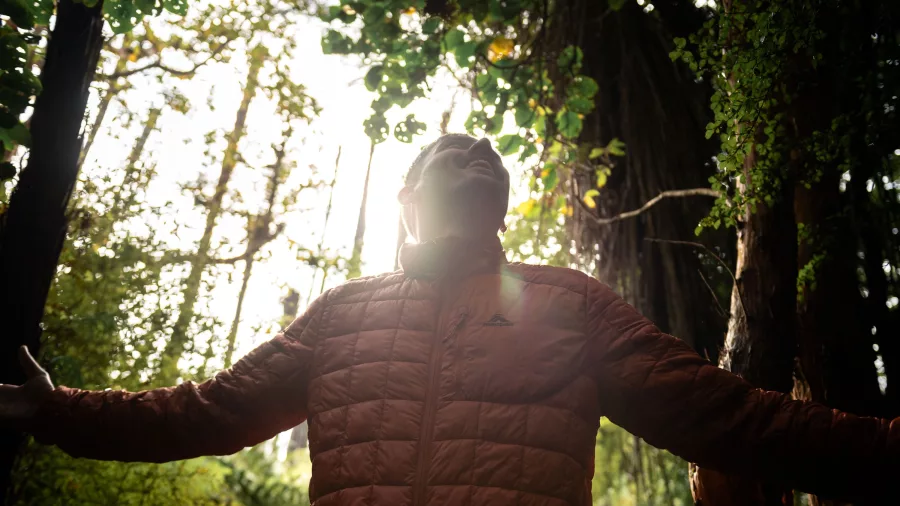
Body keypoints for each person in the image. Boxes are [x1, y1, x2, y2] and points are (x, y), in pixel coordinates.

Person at [1, 134, 898, 505]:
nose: (467, 171)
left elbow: (733, 421)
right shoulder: (343, 316)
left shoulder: (571, 305)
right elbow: (206, 412)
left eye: (478, 173)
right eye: (453, 168)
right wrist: (55, 410)